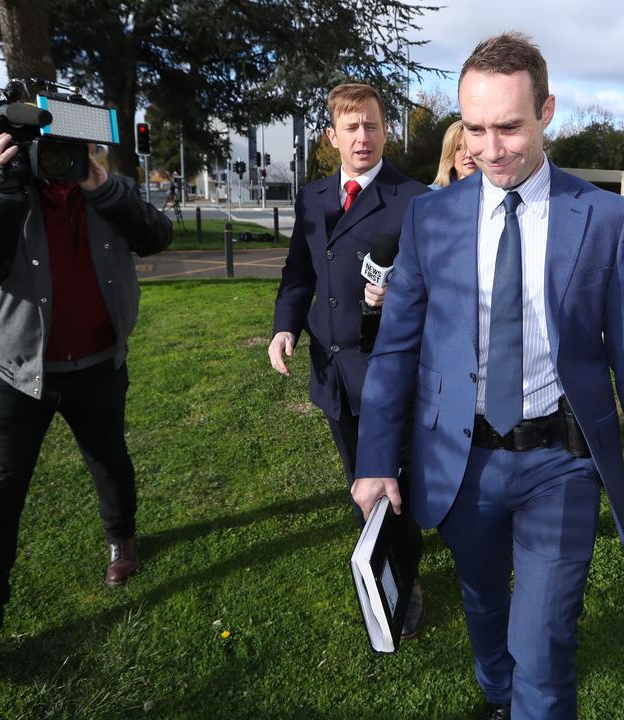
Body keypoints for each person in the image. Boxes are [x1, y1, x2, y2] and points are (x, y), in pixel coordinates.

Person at [351, 33, 624, 720]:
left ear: (547, 110)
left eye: (509, 127)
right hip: (460, 460)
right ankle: (498, 696)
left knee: (546, 638)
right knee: (483, 603)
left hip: (560, 462)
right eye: (473, 128)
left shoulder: (606, 218)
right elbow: (397, 347)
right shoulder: (431, 219)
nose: (490, 149)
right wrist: (376, 457)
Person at [0, 137, 172, 693]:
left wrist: (103, 188)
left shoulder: (104, 187)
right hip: (16, 371)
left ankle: (121, 539)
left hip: (98, 363)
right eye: (50, 150)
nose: (62, 160)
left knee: (109, 460)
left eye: (73, 148)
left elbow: (157, 236)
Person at [267, 83, 429, 636]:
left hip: (384, 371)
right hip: (331, 369)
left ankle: (404, 582)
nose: (364, 137)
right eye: (352, 127)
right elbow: (299, 273)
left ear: (387, 131)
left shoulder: (413, 199)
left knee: (393, 479)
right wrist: (284, 326)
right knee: (357, 476)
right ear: (332, 137)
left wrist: (401, 289)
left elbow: (434, 286)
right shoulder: (313, 198)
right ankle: (378, 559)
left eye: (373, 126)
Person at [430, 120, 477, 189]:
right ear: (449, 153)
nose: (468, 155)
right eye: (459, 148)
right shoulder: (430, 195)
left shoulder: (496, 194)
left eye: (472, 146)